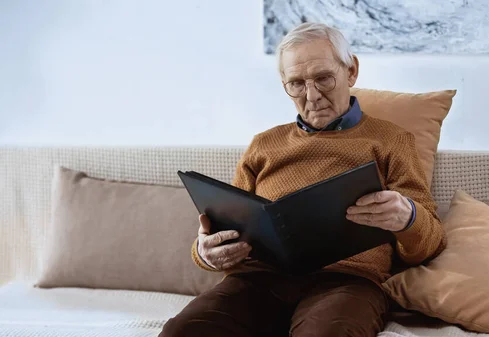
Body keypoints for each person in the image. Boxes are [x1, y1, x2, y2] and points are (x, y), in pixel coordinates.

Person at [160, 22, 446, 337]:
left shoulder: (391, 140)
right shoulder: (263, 145)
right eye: (296, 83)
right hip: (257, 280)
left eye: (323, 78)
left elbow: (429, 244)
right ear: (284, 85)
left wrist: (408, 217)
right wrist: (205, 252)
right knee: (181, 332)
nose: (312, 96)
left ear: (351, 71)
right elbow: (223, 229)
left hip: (346, 282)